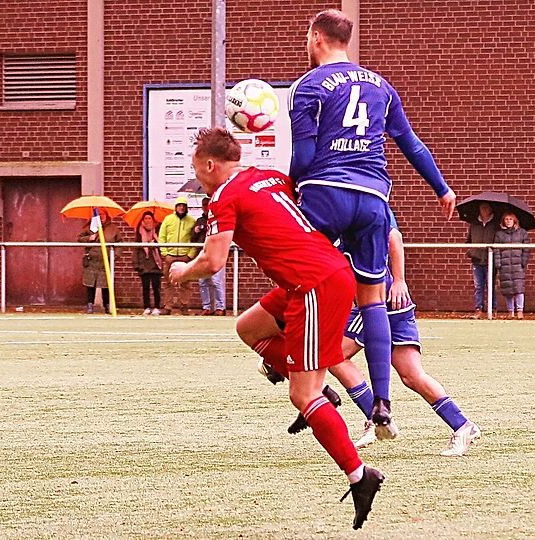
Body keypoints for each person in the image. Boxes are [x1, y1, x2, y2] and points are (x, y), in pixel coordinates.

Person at [169, 127, 384, 530]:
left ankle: (360, 476)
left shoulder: (224, 196)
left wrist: (181, 271)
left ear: (210, 165)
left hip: (313, 285)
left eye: (196, 169)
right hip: (316, 276)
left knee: (302, 394)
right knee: (249, 327)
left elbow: (213, 262)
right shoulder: (268, 176)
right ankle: (317, 391)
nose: (197, 177)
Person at [289, 9, 456, 435]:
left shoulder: (307, 86)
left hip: (325, 192)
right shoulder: (381, 86)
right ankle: (381, 403)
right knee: (372, 299)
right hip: (372, 198)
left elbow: (304, 156)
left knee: (297, 275)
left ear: (316, 37)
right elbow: (411, 143)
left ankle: (296, 374)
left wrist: (290, 192)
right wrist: (441, 188)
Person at [240, 211, 481, 457]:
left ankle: (374, 418)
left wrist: (399, 281)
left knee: (336, 356)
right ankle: (462, 425)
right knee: (411, 374)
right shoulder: (334, 211)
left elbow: (394, 237)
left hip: (375, 300)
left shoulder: (355, 204)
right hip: (386, 301)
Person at [158, 196, 197, 315]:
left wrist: (190, 255)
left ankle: (184, 305)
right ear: (175, 207)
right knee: (168, 282)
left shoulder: (191, 221)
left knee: (186, 283)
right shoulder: (168, 219)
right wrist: (165, 253)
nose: (181, 208)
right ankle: (168, 306)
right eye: (179, 206)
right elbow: (162, 237)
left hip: (185, 256)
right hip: (170, 255)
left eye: (183, 206)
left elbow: (194, 239)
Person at [78, 212, 119, 314]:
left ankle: (107, 305)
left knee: (106, 284)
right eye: (99, 214)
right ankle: (90, 304)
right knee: (90, 284)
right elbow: (79, 238)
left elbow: (119, 243)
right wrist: (89, 238)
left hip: (106, 260)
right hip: (92, 260)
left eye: (103, 214)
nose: (101, 217)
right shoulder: (90, 227)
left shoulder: (113, 229)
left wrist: (114, 256)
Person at [192, 196, 226, 316]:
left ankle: (220, 307)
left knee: (216, 281)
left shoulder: (218, 219)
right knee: (203, 282)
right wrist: (195, 231)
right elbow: (193, 239)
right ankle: (206, 307)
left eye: (208, 204)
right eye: (204, 205)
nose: (206, 207)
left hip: (216, 252)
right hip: (203, 253)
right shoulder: (200, 221)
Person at [494, 212, 530, 319]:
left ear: (514, 220)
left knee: (519, 289)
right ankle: (510, 311)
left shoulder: (522, 233)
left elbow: (526, 249)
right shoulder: (499, 234)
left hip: (518, 265)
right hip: (505, 265)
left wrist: (523, 261)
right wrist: (498, 263)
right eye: (506, 219)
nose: (508, 221)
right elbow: (496, 250)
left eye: (510, 219)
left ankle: (520, 311)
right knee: (508, 290)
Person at [466, 202, 499, 317]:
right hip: (477, 259)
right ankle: (478, 309)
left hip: (490, 259)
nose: (484, 210)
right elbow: (469, 240)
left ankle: (493, 309)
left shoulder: (495, 225)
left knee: (491, 285)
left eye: (486, 208)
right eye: (482, 208)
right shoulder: (474, 224)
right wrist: (471, 251)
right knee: (478, 286)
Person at [132, 211, 163, 315]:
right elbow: (136, 248)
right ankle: (146, 307)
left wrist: (155, 243)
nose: (147, 221)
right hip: (144, 262)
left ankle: (157, 307)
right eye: (145, 218)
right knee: (145, 287)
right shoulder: (139, 231)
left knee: (156, 287)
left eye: (149, 218)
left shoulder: (158, 230)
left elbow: (162, 243)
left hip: (155, 263)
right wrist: (136, 263)